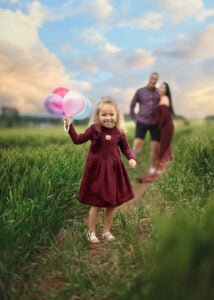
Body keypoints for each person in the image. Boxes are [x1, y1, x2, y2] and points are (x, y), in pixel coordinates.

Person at [64, 97, 136, 244]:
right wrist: (69, 125)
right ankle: (91, 232)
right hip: (97, 171)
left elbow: (125, 148)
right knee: (96, 203)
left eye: (111, 114)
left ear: (117, 115)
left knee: (111, 203)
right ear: (98, 116)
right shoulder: (94, 130)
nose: (108, 118)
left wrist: (131, 158)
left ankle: (106, 231)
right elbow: (77, 140)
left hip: (113, 171)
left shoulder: (119, 132)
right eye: (104, 115)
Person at [139, 82, 175, 182]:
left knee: (163, 148)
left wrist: (157, 125)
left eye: (164, 87)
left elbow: (164, 116)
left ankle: (159, 172)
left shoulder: (165, 98)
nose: (162, 89)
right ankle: (162, 169)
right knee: (163, 147)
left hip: (166, 127)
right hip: (163, 127)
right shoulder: (159, 99)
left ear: (167, 90)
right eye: (161, 87)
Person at [130, 72, 160, 175]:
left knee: (155, 147)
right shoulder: (140, 91)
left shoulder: (159, 92)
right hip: (142, 121)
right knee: (137, 143)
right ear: (150, 78)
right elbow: (132, 105)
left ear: (157, 80)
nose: (154, 80)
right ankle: (134, 162)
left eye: (156, 79)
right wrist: (134, 118)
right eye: (153, 78)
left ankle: (152, 167)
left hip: (155, 123)